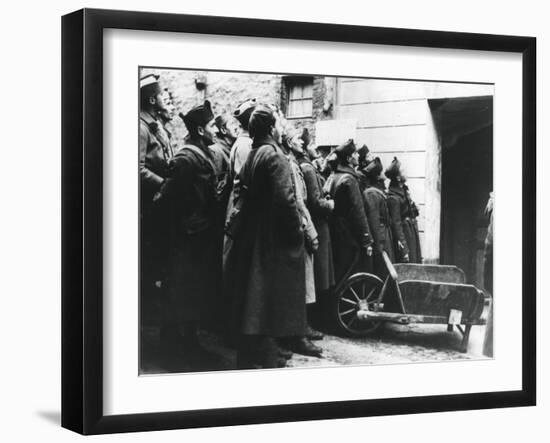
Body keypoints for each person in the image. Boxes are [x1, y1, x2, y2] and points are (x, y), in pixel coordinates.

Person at [223, 105, 307, 369]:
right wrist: (296, 231)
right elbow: (286, 200)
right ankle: (268, 359)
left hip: (253, 234)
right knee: (271, 300)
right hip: (271, 239)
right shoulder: (275, 156)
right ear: (271, 128)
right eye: (278, 124)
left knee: (254, 299)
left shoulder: (256, 153)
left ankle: (252, 355)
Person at [156, 100, 223, 357]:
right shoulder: (185, 159)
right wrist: (184, 226)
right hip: (186, 241)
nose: (215, 130)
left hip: (200, 238)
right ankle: (173, 348)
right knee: (181, 291)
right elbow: (166, 200)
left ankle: (188, 342)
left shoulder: (203, 153)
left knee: (194, 292)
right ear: (199, 130)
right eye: (211, 126)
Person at [280, 125, 324, 353]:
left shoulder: (294, 164)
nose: (303, 143)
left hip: (300, 225)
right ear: (288, 143)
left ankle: (301, 330)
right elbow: (298, 201)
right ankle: (297, 336)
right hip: (299, 227)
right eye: (298, 139)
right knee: (301, 284)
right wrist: (311, 232)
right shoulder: (291, 165)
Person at [139, 74, 174, 330]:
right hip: (150, 206)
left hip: (163, 204)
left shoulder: (157, 124)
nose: (166, 98)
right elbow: (138, 169)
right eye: (162, 94)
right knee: (150, 267)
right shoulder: (140, 127)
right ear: (152, 99)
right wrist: (164, 184)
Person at [295, 129, 335, 315]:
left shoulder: (307, 166)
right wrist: (330, 204)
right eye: (311, 145)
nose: (316, 150)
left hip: (314, 224)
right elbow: (315, 202)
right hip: (317, 226)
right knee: (316, 276)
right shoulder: (308, 168)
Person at [326, 139, 374, 282]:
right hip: (349, 233)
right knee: (350, 271)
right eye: (354, 154)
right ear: (348, 159)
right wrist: (367, 240)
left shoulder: (333, 176)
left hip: (335, 230)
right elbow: (358, 211)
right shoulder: (350, 179)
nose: (358, 156)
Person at [360, 157, 395, 277]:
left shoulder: (376, 192)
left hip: (384, 235)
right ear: (377, 177)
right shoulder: (372, 194)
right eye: (380, 173)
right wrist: (378, 247)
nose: (383, 176)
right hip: (380, 238)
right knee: (382, 269)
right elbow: (373, 221)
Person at [385, 157, 422, 263]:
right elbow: (396, 225)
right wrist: (404, 249)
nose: (406, 172)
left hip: (411, 231)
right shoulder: (393, 197)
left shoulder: (404, 190)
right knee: (410, 264)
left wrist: (414, 209)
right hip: (406, 234)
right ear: (398, 178)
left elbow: (410, 211)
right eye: (403, 171)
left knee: (416, 262)